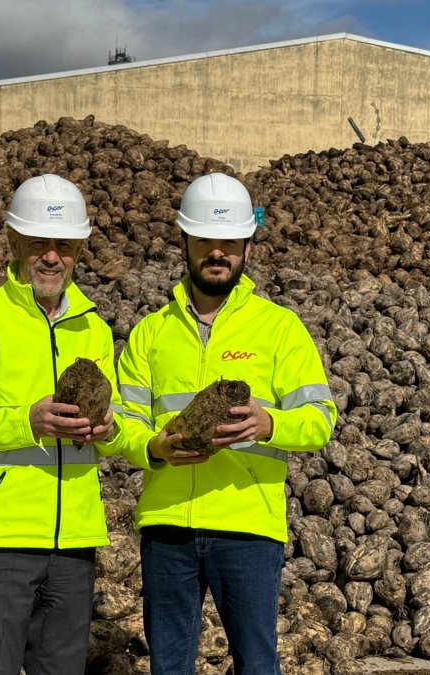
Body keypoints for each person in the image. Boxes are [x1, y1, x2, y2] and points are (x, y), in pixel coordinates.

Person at [116, 173, 338, 674]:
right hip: (167, 525)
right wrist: (153, 447)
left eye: (230, 243)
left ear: (247, 247)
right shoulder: (152, 333)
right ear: (185, 242)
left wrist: (268, 423)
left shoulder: (280, 328)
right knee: (168, 665)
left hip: (248, 528)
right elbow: (123, 422)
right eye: (206, 241)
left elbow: (320, 419)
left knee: (256, 664)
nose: (218, 254)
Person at [0, 174, 122, 675]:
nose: (52, 257)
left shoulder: (94, 328)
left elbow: (112, 425)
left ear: (79, 248)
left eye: (64, 245)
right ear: (13, 243)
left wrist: (108, 431)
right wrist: (25, 421)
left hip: (74, 543)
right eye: (39, 243)